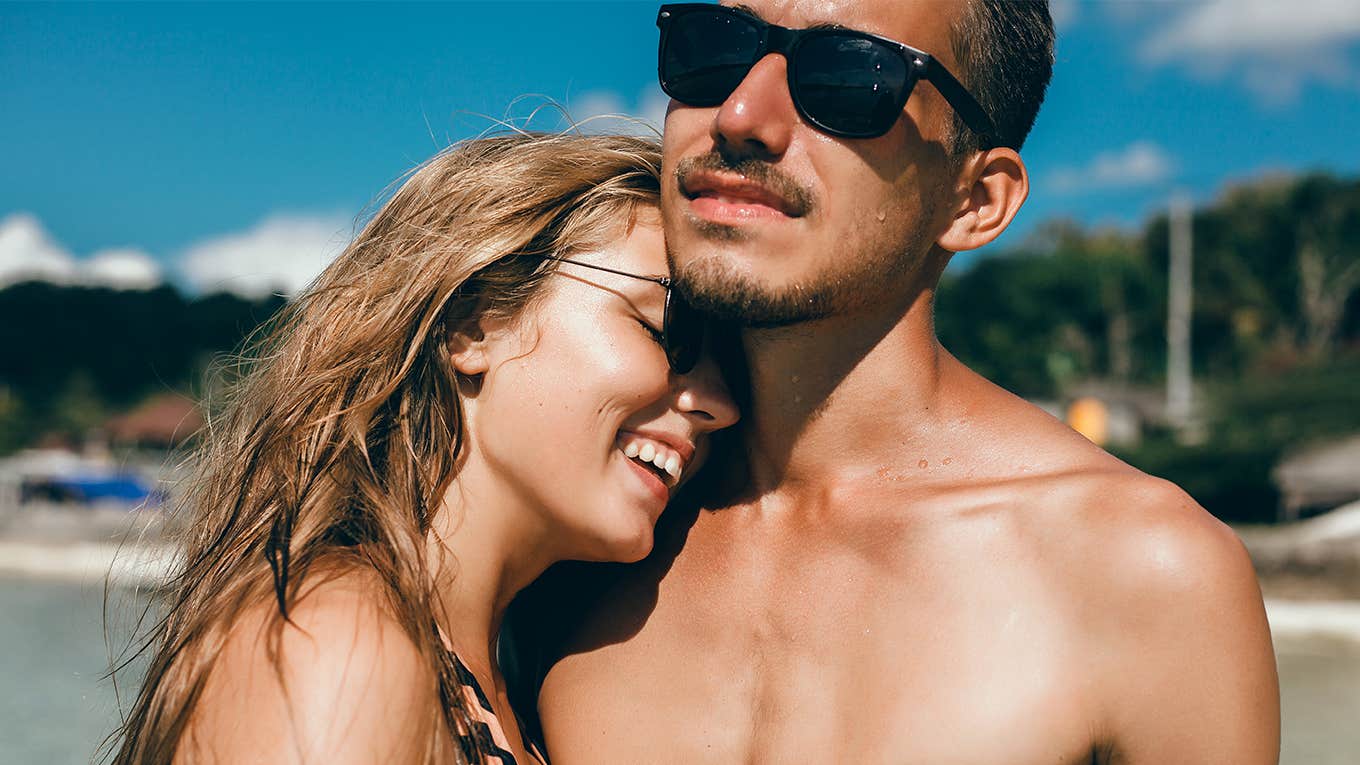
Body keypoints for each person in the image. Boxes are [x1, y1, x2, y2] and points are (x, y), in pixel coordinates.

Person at [519, 2, 1281, 763]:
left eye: (850, 76)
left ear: (975, 200)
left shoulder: (1145, 574)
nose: (743, 114)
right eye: (711, 48)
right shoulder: (577, 523)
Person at [107, 133, 739, 765]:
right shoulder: (333, 646)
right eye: (667, 330)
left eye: (732, 369)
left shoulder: (502, 682)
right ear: (474, 322)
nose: (720, 402)